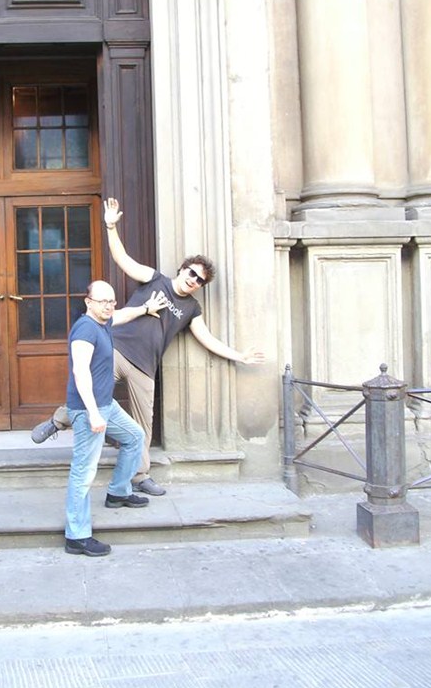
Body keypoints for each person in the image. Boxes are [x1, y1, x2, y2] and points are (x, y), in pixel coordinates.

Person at [34, 198, 266, 498]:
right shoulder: (155, 279)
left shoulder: (192, 309)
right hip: (116, 350)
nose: (194, 280)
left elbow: (207, 339)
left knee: (143, 425)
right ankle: (58, 421)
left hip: (145, 367)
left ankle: (139, 476)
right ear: (182, 269)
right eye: (192, 273)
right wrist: (111, 226)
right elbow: (123, 259)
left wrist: (240, 356)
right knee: (88, 389)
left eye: (200, 280)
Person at [64, 279, 168, 557]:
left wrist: (146, 308)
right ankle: (77, 536)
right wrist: (93, 413)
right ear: (88, 302)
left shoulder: (103, 321)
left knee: (135, 437)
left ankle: (118, 492)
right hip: (88, 409)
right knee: (83, 472)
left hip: (106, 405)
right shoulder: (85, 329)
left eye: (111, 301)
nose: (109, 306)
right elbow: (80, 372)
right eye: (103, 301)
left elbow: (122, 315)